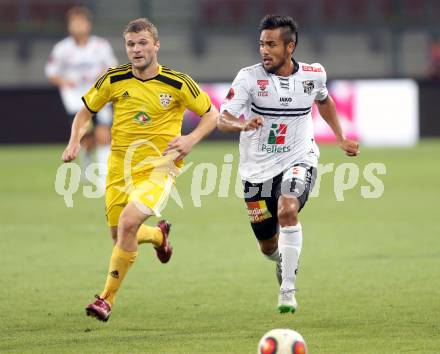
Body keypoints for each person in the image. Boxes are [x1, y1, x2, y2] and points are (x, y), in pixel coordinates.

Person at [61, 18, 219, 321]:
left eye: (143, 43)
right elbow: (84, 112)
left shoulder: (177, 83)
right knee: (120, 235)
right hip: (120, 168)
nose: (136, 49)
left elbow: (212, 114)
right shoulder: (113, 79)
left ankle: (105, 299)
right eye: (131, 44)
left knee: (128, 222)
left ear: (156, 45)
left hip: (161, 166)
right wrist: (74, 142)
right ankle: (159, 237)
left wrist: (190, 139)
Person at [218, 15, 359, 314]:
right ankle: (281, 258)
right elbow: (223, 118)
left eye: (271, 44)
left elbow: (324, 100)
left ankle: (288, 289)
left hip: (299, 158)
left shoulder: (313, 74)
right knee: (268, 246)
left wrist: (340, 136)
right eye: (261, 44)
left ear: (290, 46)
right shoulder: (248, 78)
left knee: (288, 209)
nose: (264, 51)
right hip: (256, 171)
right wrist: (243, 125)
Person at [46, 6, 117, 189]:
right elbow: (51, 73)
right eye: (74, 23)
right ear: (69, 26)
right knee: (85, 137)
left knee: (103, 133)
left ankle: (103, 178)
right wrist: (64, 82)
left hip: (98, 94)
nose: (78, 26)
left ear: (88, 24)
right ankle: (86, 161)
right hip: (74, 97)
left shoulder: (101, 46)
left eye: (81, 22)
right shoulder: (62, 48)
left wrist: (103, 76)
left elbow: (111, 67)